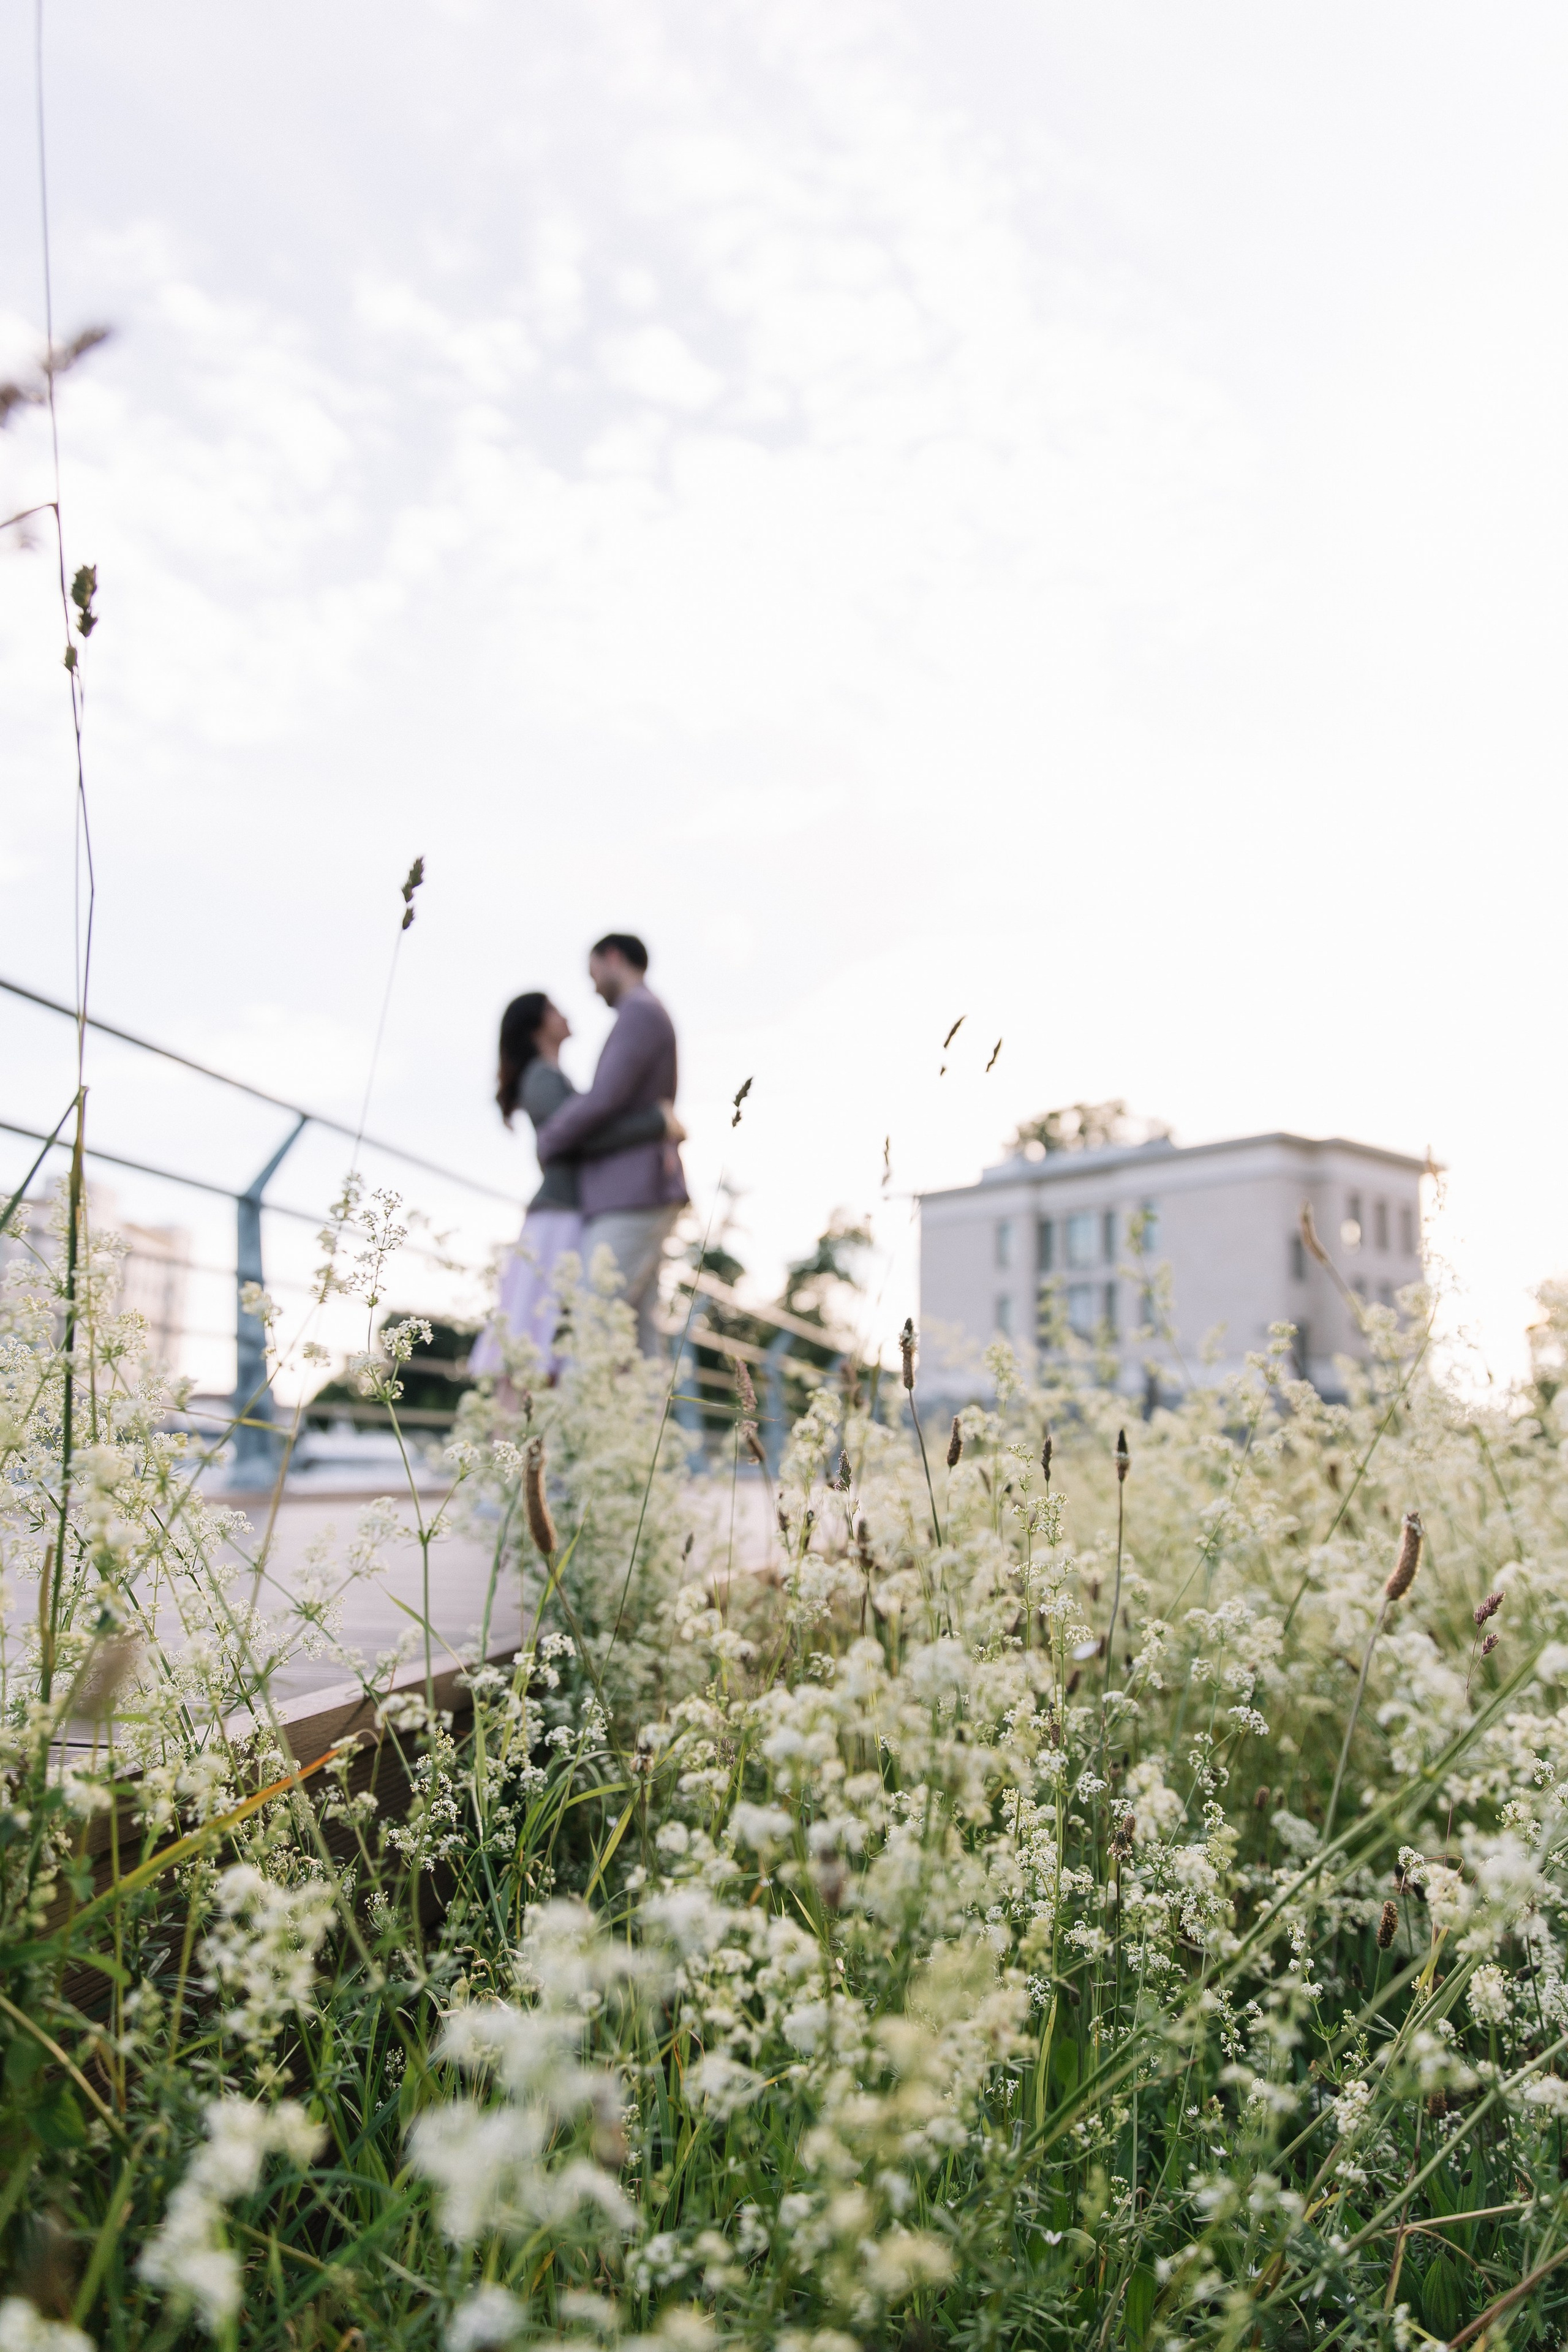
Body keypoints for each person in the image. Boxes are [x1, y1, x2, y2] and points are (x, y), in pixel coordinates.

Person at [469, 989, 679, 1379]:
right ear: (537, 1027)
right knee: (532, 1337)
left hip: (570, 1213)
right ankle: (509, 1434)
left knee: (545, 1333)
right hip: (557, 1219)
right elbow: (581, 1138)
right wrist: (656, 1122)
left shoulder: (552, 1077)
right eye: (553, 1009)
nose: (564, 1013)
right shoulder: (541, 1078)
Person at [533, 933, 688, 1357]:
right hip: (640, 1190)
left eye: (594, 972)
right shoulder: (646, 1012)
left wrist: (550, 1140)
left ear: (613, 958)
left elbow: (604, 1099)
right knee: (637, 1332)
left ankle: (583, 1424)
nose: (593, 985)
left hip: (632, 1192)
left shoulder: (640, 1012)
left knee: (592, 1315)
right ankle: (645, 1424)